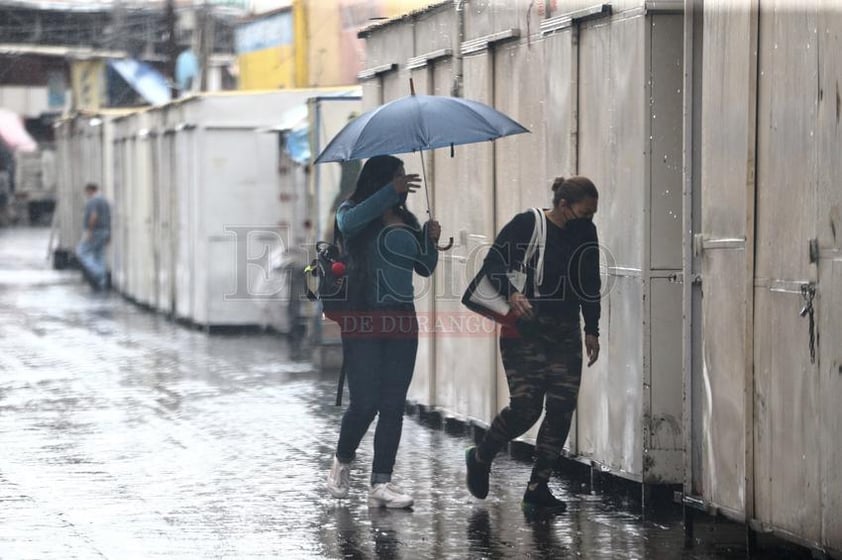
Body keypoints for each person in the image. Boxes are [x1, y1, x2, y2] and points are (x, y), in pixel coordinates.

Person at [465, 176, 601, 513]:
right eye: (584, 213)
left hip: (565, 330)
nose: (589, 221)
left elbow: (590, 280)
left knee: (560, 408)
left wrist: (592, 328)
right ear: (563, 206)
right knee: (526, 407)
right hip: (524, 329)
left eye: (593, 215)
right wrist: (511, 292)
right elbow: (492, 265)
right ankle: (482, 456)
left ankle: (538, 487)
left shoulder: (586, 233)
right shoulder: (527, 224)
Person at [326, 155, 441, 509]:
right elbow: (348, 224)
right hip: (363, 317)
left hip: (402, 319)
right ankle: (342, 461)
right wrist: (389, 193)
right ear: (379, 179)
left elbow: (425, 268)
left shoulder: (406, 219)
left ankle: (381, 483)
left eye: (402, 177)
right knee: (365, 403)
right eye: (395, 176)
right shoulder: (354, 211)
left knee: (393, 404)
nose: (403, 181)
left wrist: (430, 240)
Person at [75, 182, 111, 291]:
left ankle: (99, 273)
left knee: (81, 252)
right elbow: (109, 217)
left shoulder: (93, 201)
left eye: (86, 193)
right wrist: (109, 233)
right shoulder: (105, 201)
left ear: (90, 190)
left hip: (95, 231)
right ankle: (103, 281)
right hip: (105, 231)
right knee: (98, 254)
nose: (86, 195)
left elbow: (94, 216)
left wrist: (89, 231)